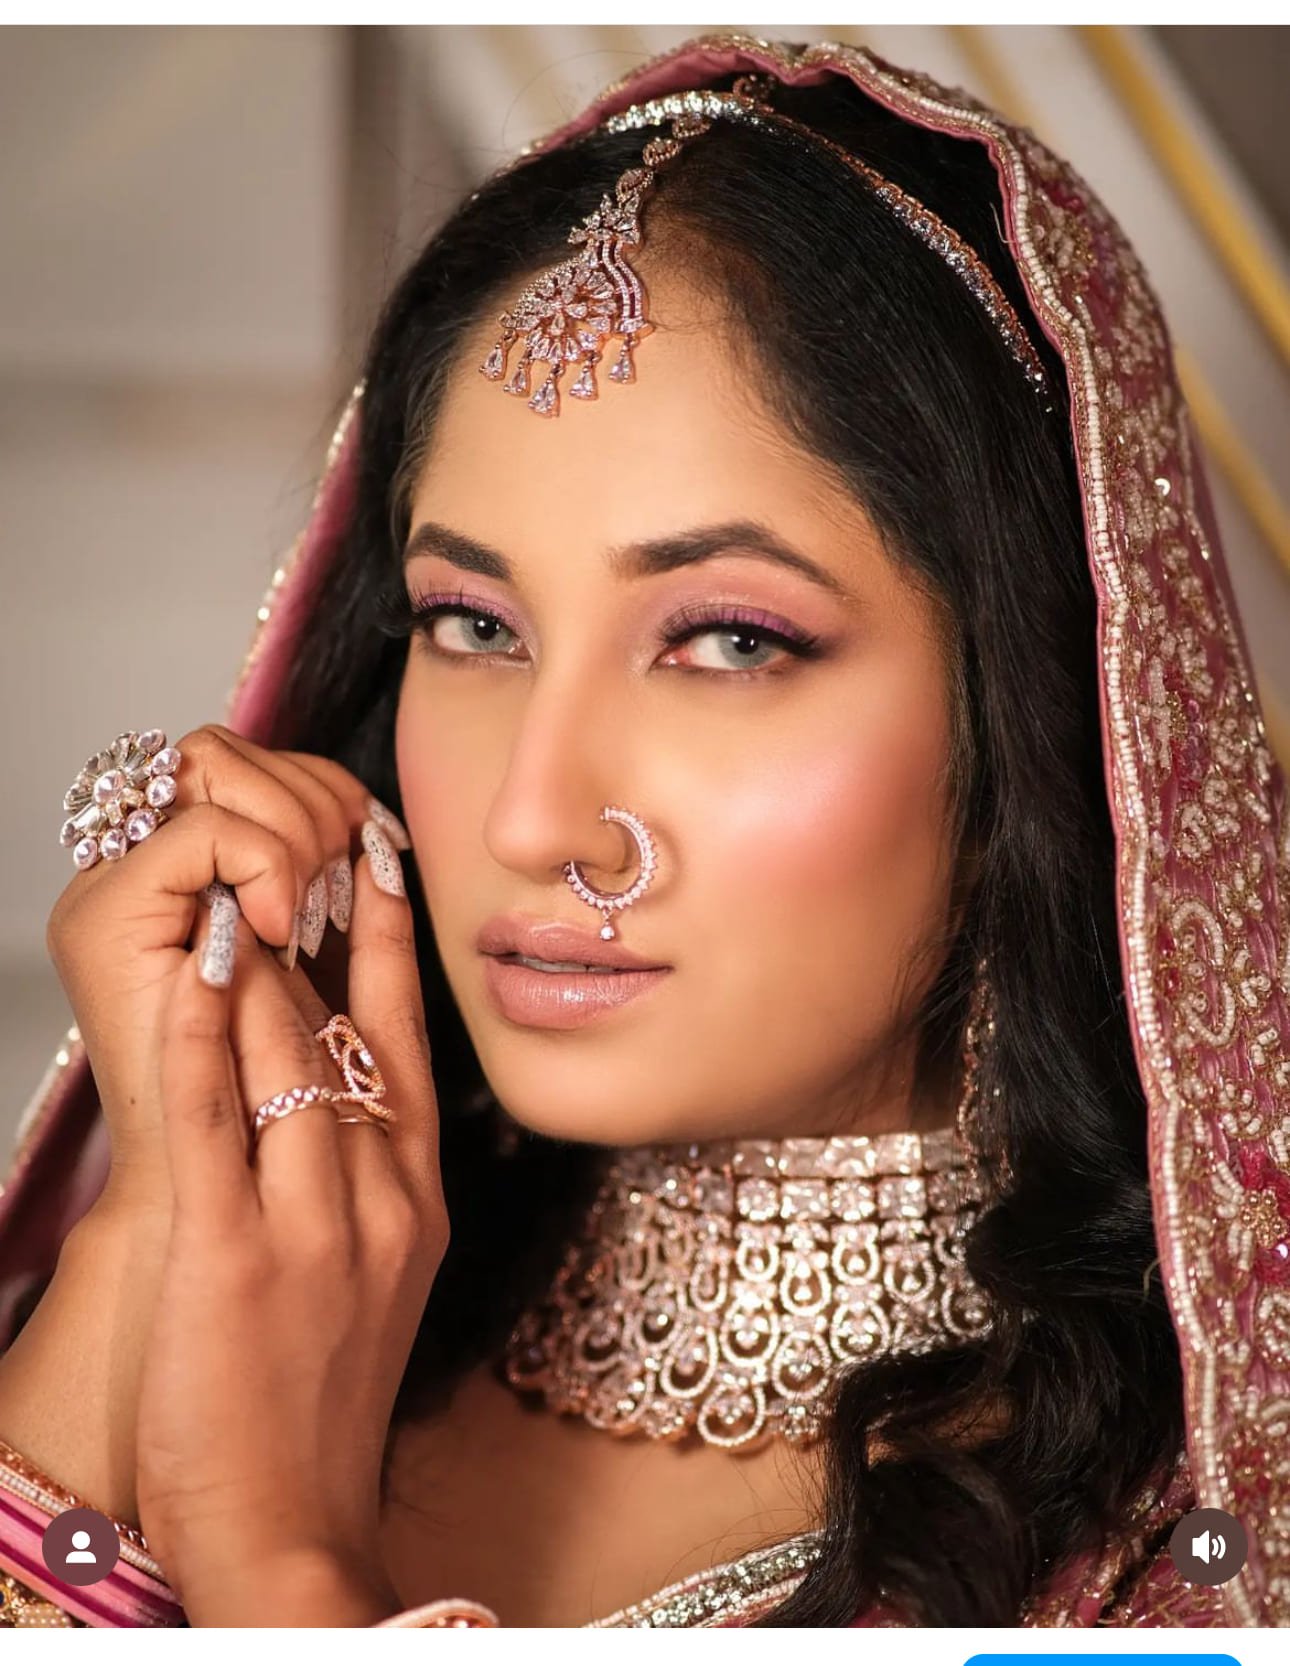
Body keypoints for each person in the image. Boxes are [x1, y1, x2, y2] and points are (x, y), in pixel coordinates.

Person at [0, 32, 1285, 1629]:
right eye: (472, 624)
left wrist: (276, 1556)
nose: (532, 816)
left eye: (727, 640)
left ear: (1043, 705)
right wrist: (154, 1228)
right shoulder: (280, 1303)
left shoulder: (1184, 1547)